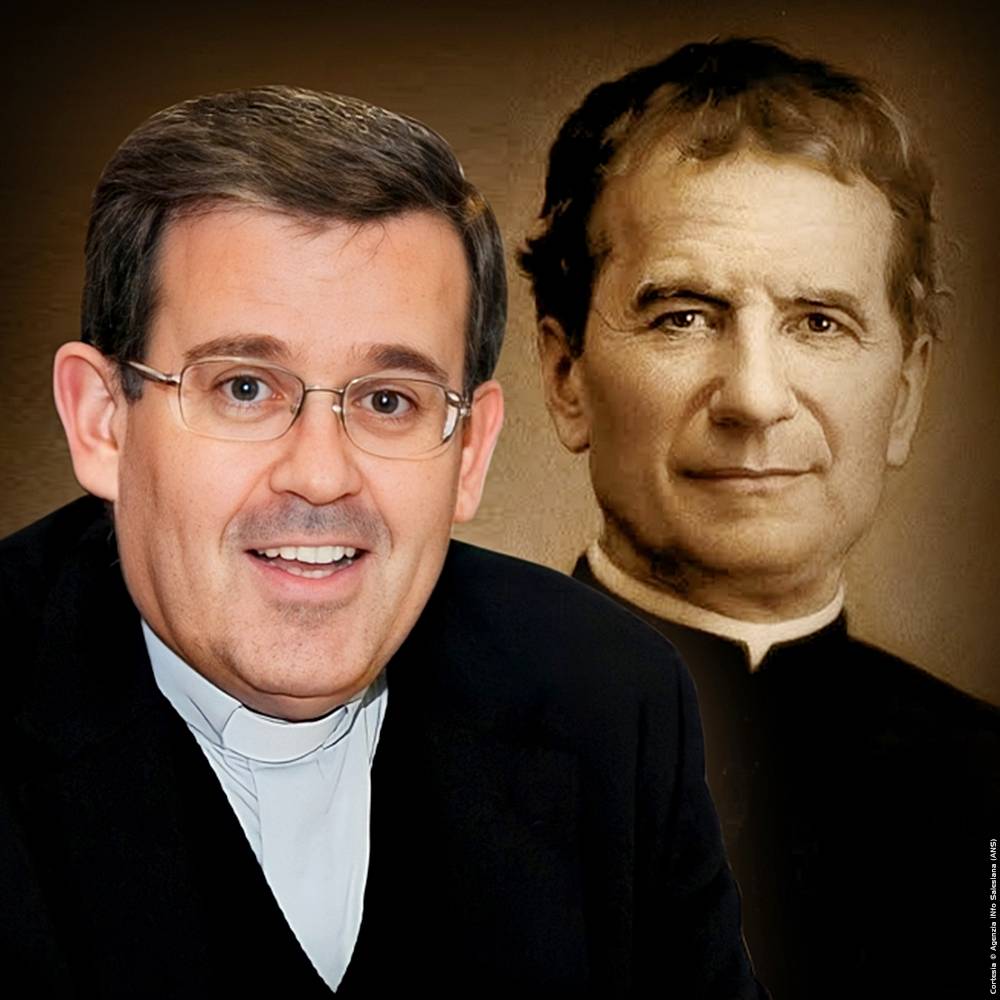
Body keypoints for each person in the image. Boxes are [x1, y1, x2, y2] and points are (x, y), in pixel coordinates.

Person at [0, 86, 765, 998]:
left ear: (470, 452)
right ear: (102, 422)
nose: (321, 475)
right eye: (244, 387)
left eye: (390, 400)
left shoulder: (608, 700)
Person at [520, 38, 999, 997]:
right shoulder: (385, 749)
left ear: (904, 396)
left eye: (819, 322)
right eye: (683, 316)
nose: (754, 397)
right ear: (567, 376)